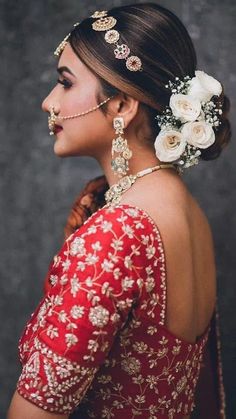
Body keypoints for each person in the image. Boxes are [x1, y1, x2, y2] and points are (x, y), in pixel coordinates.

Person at [7, 3, 231, 419]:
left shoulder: (116, 235)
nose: (47, 102)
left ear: (123, 106)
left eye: (65, 83)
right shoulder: (187, 211)